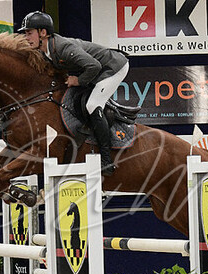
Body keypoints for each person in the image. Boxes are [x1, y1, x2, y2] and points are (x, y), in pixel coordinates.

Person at [18, 11, 129, 176]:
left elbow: (94, 66)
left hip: (113, 67)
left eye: (29, 33)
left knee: (92, 105)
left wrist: (78, 81)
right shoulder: (44, 51)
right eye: (25, 33)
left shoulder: (63, 48)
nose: (26, 38)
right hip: (95, 69)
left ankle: (107, 160)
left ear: (43, 32)